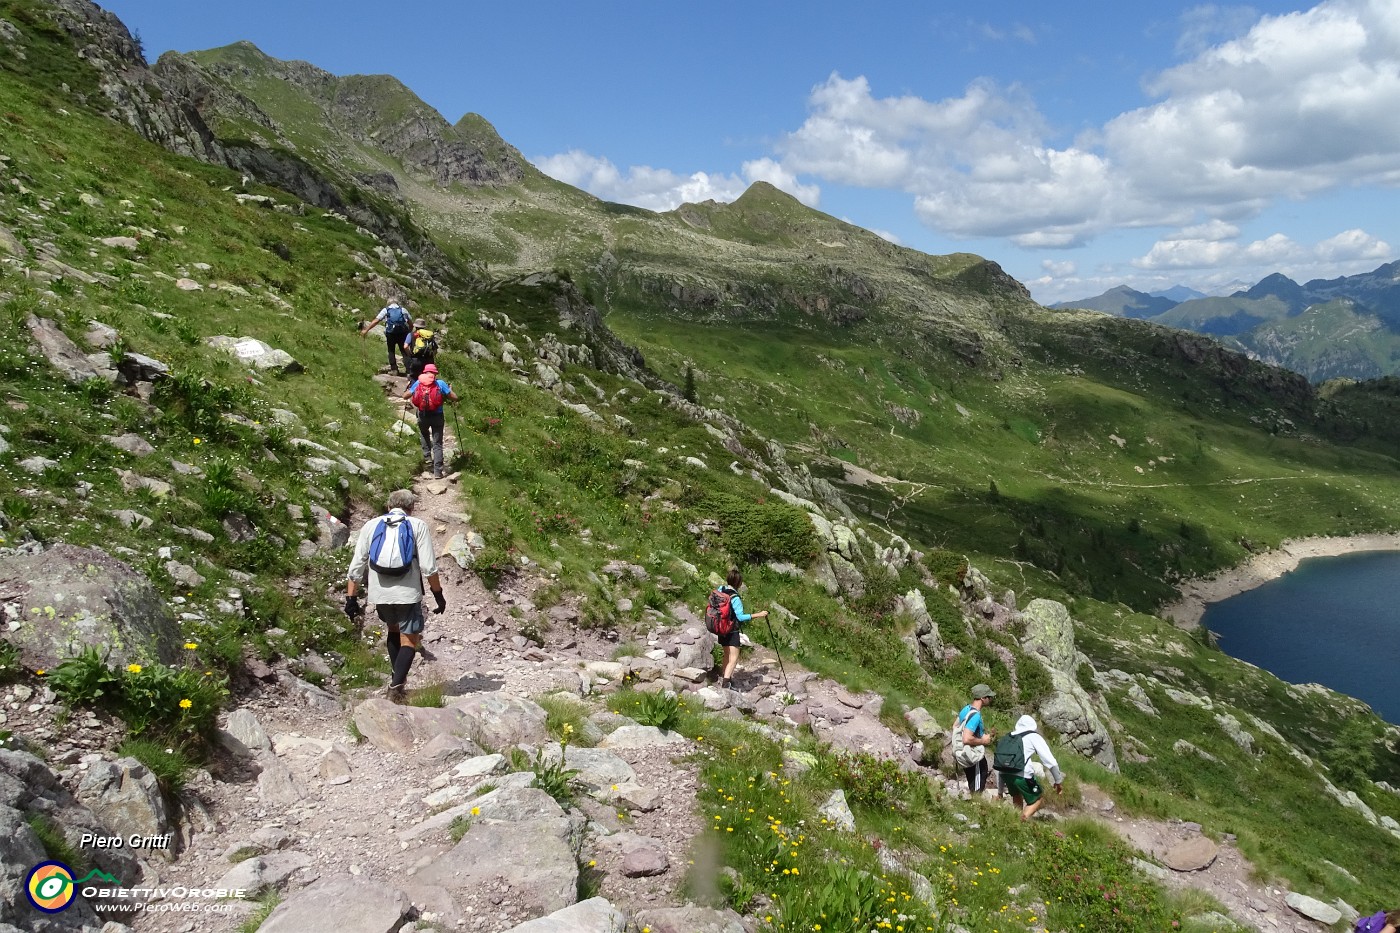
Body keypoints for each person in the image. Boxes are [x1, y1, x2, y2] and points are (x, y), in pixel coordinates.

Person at [344, 489, 446, 701]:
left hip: (379, 593)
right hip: (407, 593)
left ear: (388, 506)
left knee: (392, 630)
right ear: (411, 508)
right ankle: (395, 689)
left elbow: (356, 566)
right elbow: (429, 568)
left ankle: (396, 679)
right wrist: (438, 595)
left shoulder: (371, 526)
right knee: (409, 639)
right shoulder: (417, 525)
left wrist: (351, 598)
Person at [997, 714, 1064, 821]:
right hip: (1024, 777)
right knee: (1037, 797)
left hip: (1006, 774)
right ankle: (1021, 820)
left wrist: (1000, 791)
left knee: (1016, 795)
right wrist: (1058, 781)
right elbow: (1050, 761)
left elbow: (1000, 762)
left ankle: (1014, 820)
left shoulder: (1009, 736)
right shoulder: (1034, 736)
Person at [714, 567, 768, 689]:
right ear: (739, 583)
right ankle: (726, 683)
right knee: (734, 657)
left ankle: (725, 676)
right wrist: (758, 615)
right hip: (731, 629)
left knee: (726, 654)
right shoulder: (735, 598)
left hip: (720, 627)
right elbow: (740, 617)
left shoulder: (720, 590)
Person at [403, 363, 459, 479]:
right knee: (437, 443)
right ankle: (438, 472)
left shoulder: (418, 383)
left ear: (425, 372)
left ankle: (428, 458)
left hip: (423, 415)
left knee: (424, 434)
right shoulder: (440, 383)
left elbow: (405, 396)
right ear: (435, 373)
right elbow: (454, 397)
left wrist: (408, 388)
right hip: (437, 416)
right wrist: (450, 390)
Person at [955, 684, 997, 796]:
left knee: (973, 782)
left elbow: (956, 726)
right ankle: (977, 806)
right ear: (983, 698)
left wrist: (986, 736)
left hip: (964, 754)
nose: (990, 699)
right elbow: (967, 738)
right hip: (974, 756)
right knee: (977, 788)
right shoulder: (976, 716)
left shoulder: (966, 709)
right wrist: (984, 741)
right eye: (989, 697)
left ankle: (974, 805)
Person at [360, 300, 414, 375]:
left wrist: (366, 330)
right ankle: (409, 370)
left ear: (389, 303)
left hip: (390, 333)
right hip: (402, 333)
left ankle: (394, 370)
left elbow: (376, 320)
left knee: (391, 351)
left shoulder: (386, 310)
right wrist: (409, 332)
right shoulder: (403, 309)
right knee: (404, 352)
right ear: (397, 303)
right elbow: (410, 323)